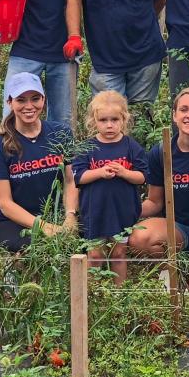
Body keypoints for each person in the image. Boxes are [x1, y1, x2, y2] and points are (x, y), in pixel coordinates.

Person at [0, 72, 78, 252]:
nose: (29, 106)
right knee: (38, 249)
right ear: (10, 103)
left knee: (92, 239)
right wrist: (43, 227)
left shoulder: (61, 134)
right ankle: (13, 274)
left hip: (57, 216)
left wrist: (70, 216)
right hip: (12, 222)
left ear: (43, 100)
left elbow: (70, 180)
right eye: (21, 100)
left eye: (35, 99)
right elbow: (5, 204)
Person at [128, 87, 189, 257]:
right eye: (183, 110)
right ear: (175, 115)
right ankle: (171, 269)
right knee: (139, 239)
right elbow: (155, 202)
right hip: (178, 228)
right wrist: (124, 209)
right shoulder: (161, 152)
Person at [72, 90, 147, 284]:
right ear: (93, 121)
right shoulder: (87, 148)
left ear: (124, 119)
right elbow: (78, 176)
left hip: (122, 210)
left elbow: (142, 176)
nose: (109, 125)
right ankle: (92, 294)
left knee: (119, 253)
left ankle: (118, 294)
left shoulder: (131, 146)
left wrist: (124, 172)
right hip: (94, 211)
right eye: (103, 120)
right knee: (95, 254)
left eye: (115, 119)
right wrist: (99, 172)